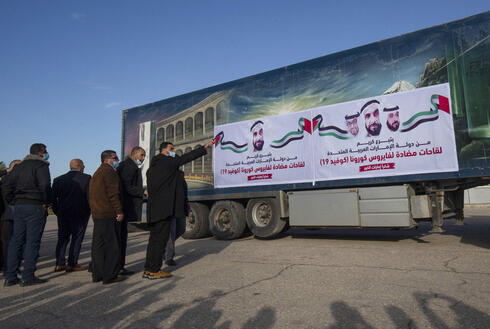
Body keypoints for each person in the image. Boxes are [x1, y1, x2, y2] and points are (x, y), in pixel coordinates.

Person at [143, 139, 213, 279]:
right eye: (172, 149)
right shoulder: (165, 162)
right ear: (164, 150)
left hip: (154, 210)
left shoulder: (152, 168)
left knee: (154, 240)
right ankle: (155, 270)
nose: (174, 151)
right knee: (161, 240)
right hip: (164, 210)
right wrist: (204, 147)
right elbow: (185, 158)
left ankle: (148, 269)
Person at [3, 143, 52, 287]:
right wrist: (47, 202)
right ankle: (28, 276)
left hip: (19, 206)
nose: (47, 153)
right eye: (45, 151)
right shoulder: (41, 166)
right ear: (40, 152)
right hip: (35, 205)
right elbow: (45, 185)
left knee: (16, 241)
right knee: (32, 241)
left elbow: (6, 186)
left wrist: (13, 201)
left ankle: (10, 276)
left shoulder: (18, 167)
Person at [89, 150, 125, 284]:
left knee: (98, 246)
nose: (117, 160)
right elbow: (113, 194)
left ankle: (97, 274)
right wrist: (119, 211)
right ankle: (110, 275)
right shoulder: (110, 172)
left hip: (98, 214)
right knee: (112, 246)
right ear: (108, 159)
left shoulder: (97, 173)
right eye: (115, 158)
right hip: (108, 213)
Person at [52, 159, 91, 272]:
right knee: (76, 238)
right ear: (79, 166)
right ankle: (72, 263)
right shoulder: (86, 178)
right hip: (80, 213)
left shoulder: (58, 179)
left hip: (63, 213)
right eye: (83, 165)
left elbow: (53, 197)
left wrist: (57, 210)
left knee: (62, 238)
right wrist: (89, 210)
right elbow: (89, 197)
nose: (84, 167)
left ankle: (59, 263)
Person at [116, 146, 146, 275]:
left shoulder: (126, 165)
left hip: (125, 206)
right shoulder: (129, 166)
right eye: (141, 155)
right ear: (134, 155)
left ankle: (118, 265)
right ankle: (119, 266)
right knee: (121, 239)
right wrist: (142, 191)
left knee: (121, 238)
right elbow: (127, 186)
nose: (143, 158)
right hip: (126, 206)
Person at [0, 160, 21, 272]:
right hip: (7, 213)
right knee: (7, 241)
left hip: (8, 213)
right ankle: (8, 266)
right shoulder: (8, 179)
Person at [164, 170, 188, 266]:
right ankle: (168, 257)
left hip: (180, 207)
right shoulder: (165, 175)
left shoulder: (180, 174)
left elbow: (184, 190)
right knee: (171, 232)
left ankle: (165, 248)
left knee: (181, 229)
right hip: (170, 207)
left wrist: (186, 203)